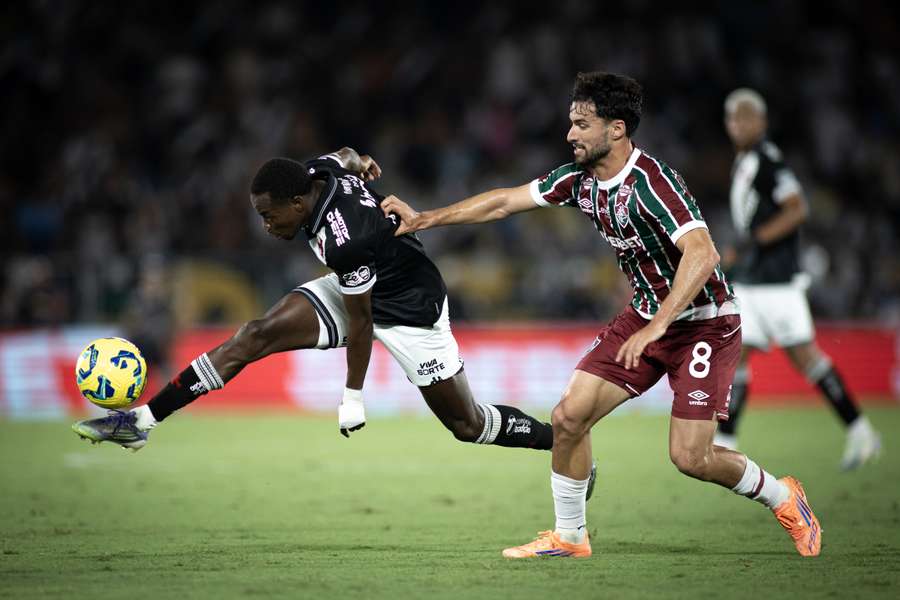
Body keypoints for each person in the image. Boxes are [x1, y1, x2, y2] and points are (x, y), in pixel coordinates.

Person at [381, 72, 821, 558]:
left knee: (690, 457)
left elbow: (703, 255)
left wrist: (658, 326)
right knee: (568, 416)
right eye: (571, 122)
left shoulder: (653, 183)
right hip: (646, 318)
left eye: (581, 124)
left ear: (616, 129)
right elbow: (506, 201)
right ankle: (570, 537)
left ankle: (786, 498)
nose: (570, 133)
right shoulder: (578, 180)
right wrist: (426, 218)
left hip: (705, 323)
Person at [73, 148, 593, 480]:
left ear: (299, 204)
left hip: (411, 308)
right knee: (254, 335)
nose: (266, 224)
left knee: (466, 422)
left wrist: (352, 397)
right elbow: (344, 155)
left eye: (268, 214)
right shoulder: (316, 172)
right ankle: (141, 421)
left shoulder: (343, 240)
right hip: (364, 285)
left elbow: (362, 323)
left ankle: (561, 439)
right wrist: (364, 163)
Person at [719, 88, 881, 470]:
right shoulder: (745, 161)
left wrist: (752, 243)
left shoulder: (769, 160)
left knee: (805, 357)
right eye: (732, 118)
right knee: (736, 353)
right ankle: (724, 442)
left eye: (744, 117)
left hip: (776, 281)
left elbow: (797, 209)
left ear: (761, 122)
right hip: (751, 280)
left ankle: (861, 432)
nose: (737, 124)